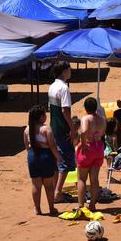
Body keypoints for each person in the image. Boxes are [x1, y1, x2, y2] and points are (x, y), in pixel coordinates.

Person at [24, 105, 60, 215]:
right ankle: (51, 208)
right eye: (44, 114)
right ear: (40, 117)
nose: (46, 116)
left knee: (36, 185)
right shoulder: (46, 129)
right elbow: (52, 145)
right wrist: (58, 157)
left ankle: (37, 209)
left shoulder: (27, 129)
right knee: (49, 185)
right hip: (45, 156)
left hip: (32, 156)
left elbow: (26, 146)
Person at [48, 61, 76, 203]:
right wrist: (72, 128)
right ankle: (58, 192)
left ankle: (55, 191)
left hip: (53, 127)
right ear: (63, 71)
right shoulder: (64, 88)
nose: (70, 71)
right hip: (62, 128)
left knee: (57, 159)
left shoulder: (52, 86)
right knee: (65, 161)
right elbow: (65, 110)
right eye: (69, 69)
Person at [75, 97, 107, 212]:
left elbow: (83, 131)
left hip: (88, 146)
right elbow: (103, 132)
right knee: (94, 179)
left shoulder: (86, 118)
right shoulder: (102, 119)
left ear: (85, 108)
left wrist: (83, 143)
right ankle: (92, 204)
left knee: (82, 179)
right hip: (98, 147)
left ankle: (81, 205)